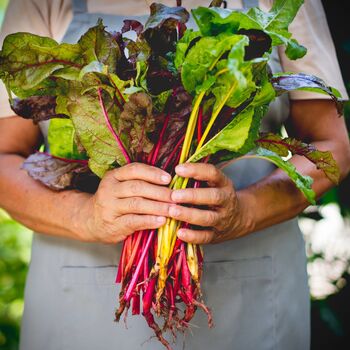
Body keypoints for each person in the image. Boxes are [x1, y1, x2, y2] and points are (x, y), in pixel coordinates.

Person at [0, 0, 349, 349]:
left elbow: (334, 147)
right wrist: (85, 216)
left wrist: (245, 211)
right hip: (79, 309)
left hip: (252, 305)